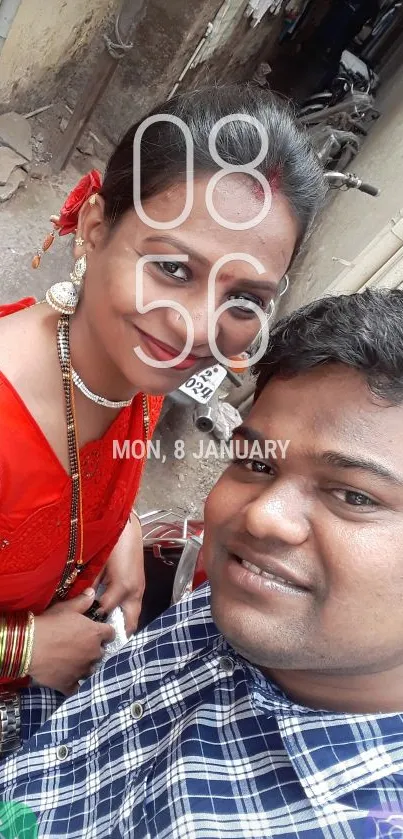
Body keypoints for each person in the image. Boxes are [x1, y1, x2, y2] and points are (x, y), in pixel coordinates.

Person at [2, 288, 403, 838]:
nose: (262, 518)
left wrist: (22, 645)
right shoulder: (255, 598)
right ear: (92, 232)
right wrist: (116, 517)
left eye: (354, 496)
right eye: (255, 463)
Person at [0, 83, 325, 754]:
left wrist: (115, 525)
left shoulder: (137, 369)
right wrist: (26, 647)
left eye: (244, 297)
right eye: (172, 267)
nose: (196, 328)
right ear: (95, 228)